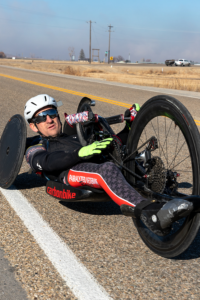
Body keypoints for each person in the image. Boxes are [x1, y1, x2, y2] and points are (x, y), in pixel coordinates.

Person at [24, 94, 195, 236]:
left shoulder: (73, 134)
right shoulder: (36, 147)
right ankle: (151, 215)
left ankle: (175, 196)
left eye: (52, 113)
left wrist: (130, 125)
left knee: (126, 157)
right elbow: (46, 163)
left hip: (97, 163)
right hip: (69, 174)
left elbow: (116, 145)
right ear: (33, 126)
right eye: (41, 117)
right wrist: (79, 153)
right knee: (106, 170)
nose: (49, 120)